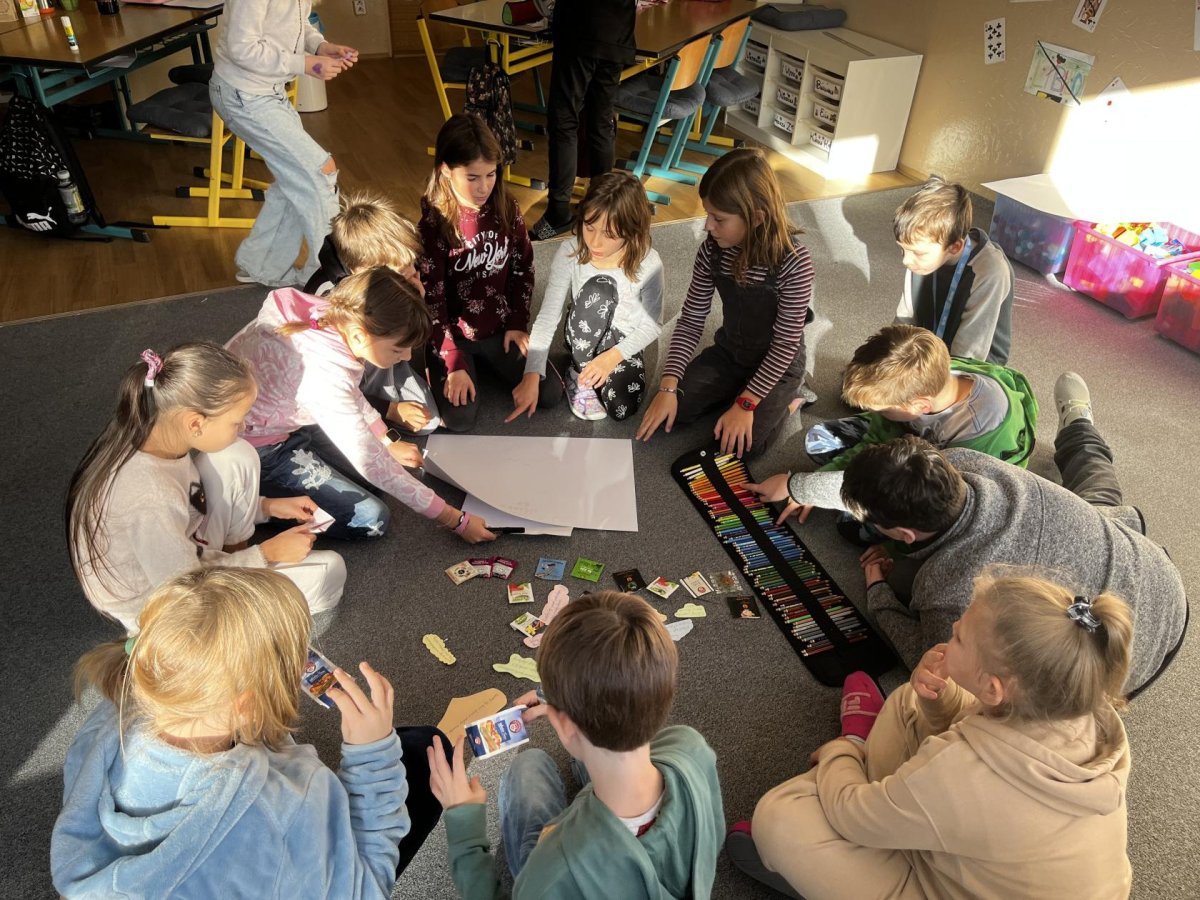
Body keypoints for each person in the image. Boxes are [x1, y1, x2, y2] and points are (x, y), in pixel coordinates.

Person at [728, 571, 1134, 900]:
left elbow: (852, 816)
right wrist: (937, 700)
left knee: (779, 818)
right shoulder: (1075, 708)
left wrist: (842, 751)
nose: (952, 627)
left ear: (993, 687)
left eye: (960, 637)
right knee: (914, 697)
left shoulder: (964, 773)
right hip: (988, 865)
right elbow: (978, 733)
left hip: (948, 878)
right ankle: (890, 804)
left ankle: (856, 752)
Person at [52, 567, 449, 897]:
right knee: (427, 750)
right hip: (268, 840)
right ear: (245, 704)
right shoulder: (284, 807)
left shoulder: (116, 710)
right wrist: (373, 755)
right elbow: (364, 888)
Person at [832, 372, 1187, 695]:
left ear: (904, 534)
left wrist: (878, 592)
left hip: (1125, 663)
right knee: (1095, 489)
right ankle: (1078, 426)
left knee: (909, 593)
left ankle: (1081, 430)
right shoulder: (965, 460)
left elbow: (928, 658)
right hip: (1156, 573)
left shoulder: (948, 589)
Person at [428, 591, 726, 897]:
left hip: (573, 871)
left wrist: (465, 831)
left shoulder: (552, 874)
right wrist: (561, 703)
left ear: (564, 726)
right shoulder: (690, 746)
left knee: (528, 764)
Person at [65, 343, 345, 635]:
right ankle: (233, 617)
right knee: (330, 571)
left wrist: (268, 507)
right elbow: (183, 589)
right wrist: (265, 554)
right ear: (195, 423)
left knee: (237, 454)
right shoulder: (149, 496)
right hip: (162, 607)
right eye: (236, 421)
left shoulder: (155, 434)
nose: (244, 427)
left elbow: (189, 503)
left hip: (181, 553)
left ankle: (238, 572)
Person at [226, 266, 495, 543]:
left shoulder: (337, 315)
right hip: (259, 448)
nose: (406, 357)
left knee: (377, 480)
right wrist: (455, 520)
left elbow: (350, 391)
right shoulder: (322, 374)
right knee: (370, 518)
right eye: (397, 348)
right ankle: (245, 508)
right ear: (358, 336)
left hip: (291, 416)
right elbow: (371, 461)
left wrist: (385, 439)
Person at [747, 324, 1037, 526]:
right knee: (819, 440)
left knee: (855, 525)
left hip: (949, 477)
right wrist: (820, 481)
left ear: (919, 406)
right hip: (913, 437)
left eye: (882, 409)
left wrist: (801, 488)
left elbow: (937, 500)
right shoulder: (930, 377)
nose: (877, 413)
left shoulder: (978, 439)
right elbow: (879, 431)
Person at [636, 148, 815, 458]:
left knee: (746, 447)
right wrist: (668, 386)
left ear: (756, 217)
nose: (708, 226)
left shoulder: (795, 263)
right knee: (675, 410)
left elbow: (784, 346)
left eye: (718, 218)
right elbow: (691, 320)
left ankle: (791, 397)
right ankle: (742, 389)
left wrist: (746, 403)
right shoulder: (711, 251)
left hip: (780, 363)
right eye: (708, 214)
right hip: (730, 354)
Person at [419, 114, 556, 432]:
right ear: (446, 170)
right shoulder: (433, 224)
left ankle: (485, 365)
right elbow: (432, 298)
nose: (483, 187)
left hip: (500, 328)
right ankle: (455, 365)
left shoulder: (507, 207)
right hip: (454, 336)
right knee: (459, 419)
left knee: (549, 393)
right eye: (472, 177)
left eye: (491, 175)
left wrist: (518, 322)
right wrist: (451, 358)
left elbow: (524, 268)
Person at [210, 0, 358, 287]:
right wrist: (304, 63)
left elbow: (296, 24)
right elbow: (241, 48)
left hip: (268, 92)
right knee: (320, 170)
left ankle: (262, 265)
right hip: (244, 95)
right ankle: (330, 277)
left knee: (296, 175)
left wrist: (320, 46)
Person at [513, 171, 663, 422]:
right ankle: (577, 370)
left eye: (610, 234)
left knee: (622, 407)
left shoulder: (650, 262)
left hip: (622, 340)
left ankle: (593, 370)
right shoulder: (570, 251)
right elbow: (548, 316)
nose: (595, 242)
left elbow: (652, 325)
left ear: (632, 230)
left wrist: (613, 357)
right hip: (585, 328)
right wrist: (532, 374)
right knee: (601, 288)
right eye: (589, 227)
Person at [303, 192, 442, 436]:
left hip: (386, 356)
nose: (412, 272)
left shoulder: (395, 273)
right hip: (347, 374)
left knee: (429, 421)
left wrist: (417, 297)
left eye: (412, 264)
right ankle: (374, 405)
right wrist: (389, 409)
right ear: (362, 270)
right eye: (402, 272)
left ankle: (388, 379)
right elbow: (329, 382)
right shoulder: (331, 302)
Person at [528, 0, 636, 241]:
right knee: (601, 121)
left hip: (580, 28)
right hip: (617, 32)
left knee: (564, 122)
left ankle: (558, 212)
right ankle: (602, 207)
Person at [893, 176, 1014, 365]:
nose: (906, 260)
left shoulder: (991, 272)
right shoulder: (921, 258)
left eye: (917, 253)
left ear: (955, 247)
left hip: (975, 367)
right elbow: (903, 322)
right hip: (931, 352)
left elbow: (969, 356)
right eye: (903, 249)